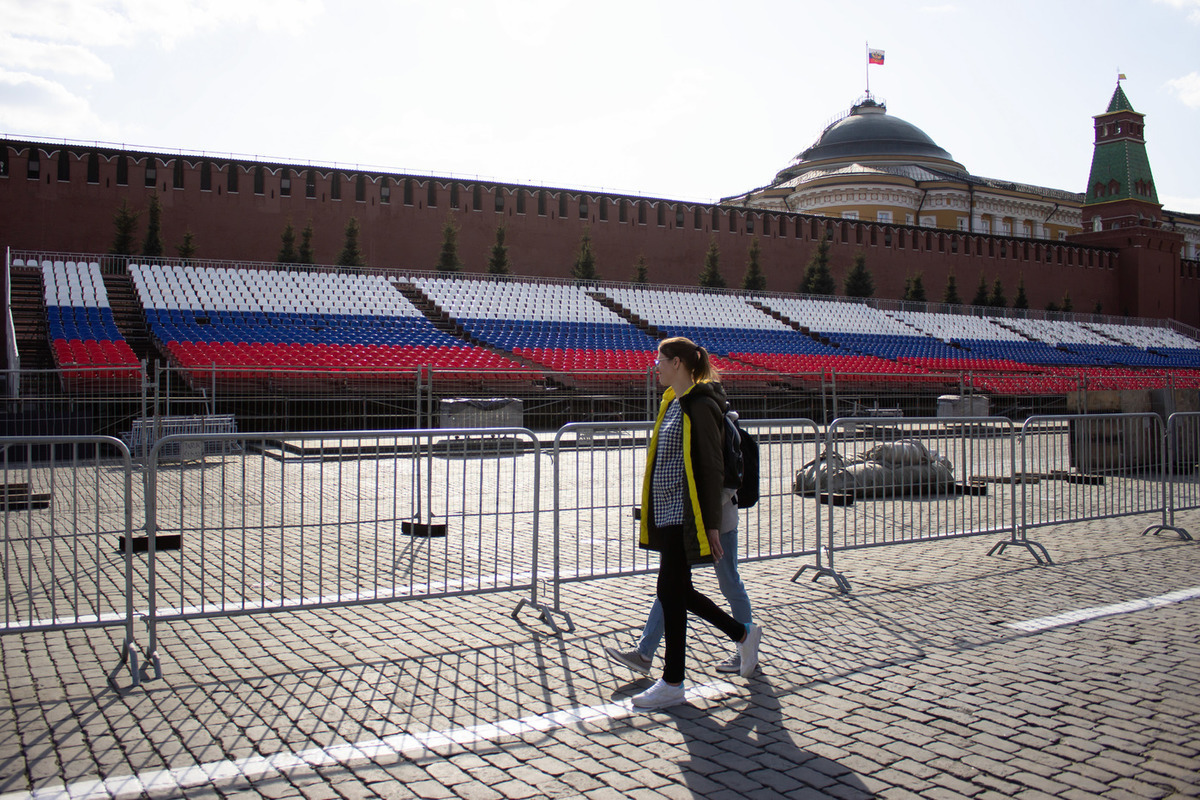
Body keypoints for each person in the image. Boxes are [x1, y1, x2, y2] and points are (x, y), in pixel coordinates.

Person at [616, 336, 763, 710]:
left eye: (661, 360)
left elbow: (711, 467)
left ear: (678, 363)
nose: (656, 366)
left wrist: (711, 525)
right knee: (674, 592)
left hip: (686, 516)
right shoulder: (673, 402)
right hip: (666, 513)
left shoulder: (699, 405)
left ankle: (673, 681)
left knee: (672, 592)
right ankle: (741, 635)